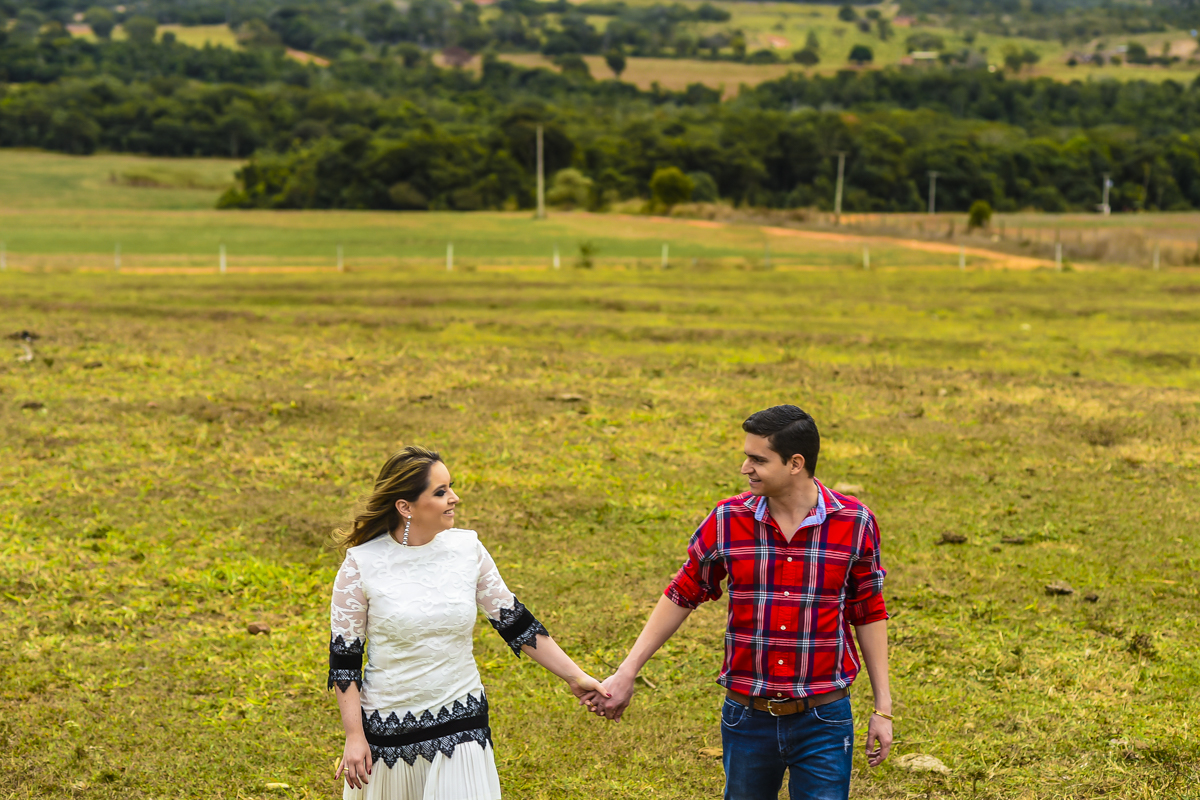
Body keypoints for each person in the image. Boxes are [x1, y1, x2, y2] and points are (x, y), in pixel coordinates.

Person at [584, 405, 893, 800]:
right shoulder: (728, 519)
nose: (745, 468)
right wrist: (627, 672)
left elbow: (868, 610)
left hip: (824, 719)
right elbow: (683, 592)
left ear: (795, 463)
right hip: (747, 719)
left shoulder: (854, 522)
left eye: (758, 459)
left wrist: (882, 708)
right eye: (747, 456)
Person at [328, 445, 607, 799]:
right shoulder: (361, 564)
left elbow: (515, 622)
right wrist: (355, 736)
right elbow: (345, 659)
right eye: (440, 492)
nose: (454, 498)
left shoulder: (467, 549)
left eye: (451, 487)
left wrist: (575, 676)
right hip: (390, 726)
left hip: (462, 715)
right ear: (405, 506)